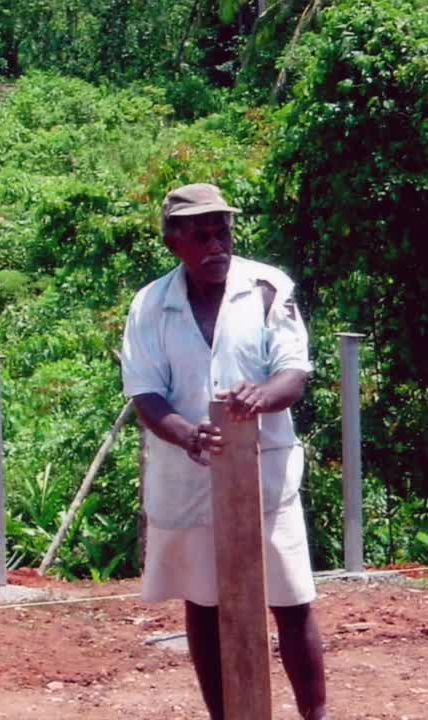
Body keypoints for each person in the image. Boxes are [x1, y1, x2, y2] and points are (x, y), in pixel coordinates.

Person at [120, 183, 328, 720]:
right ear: (174, 243)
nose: (217, 245)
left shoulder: (267, 288)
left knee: (291, 599)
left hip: (266, 474)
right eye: (202, 235)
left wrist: (262, 396)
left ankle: (316, 716)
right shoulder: (150, 305)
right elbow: (145, 393)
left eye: (224, 233)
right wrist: (186, 433)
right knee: (204, 603)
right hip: (188, 478)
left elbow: (294, 373)